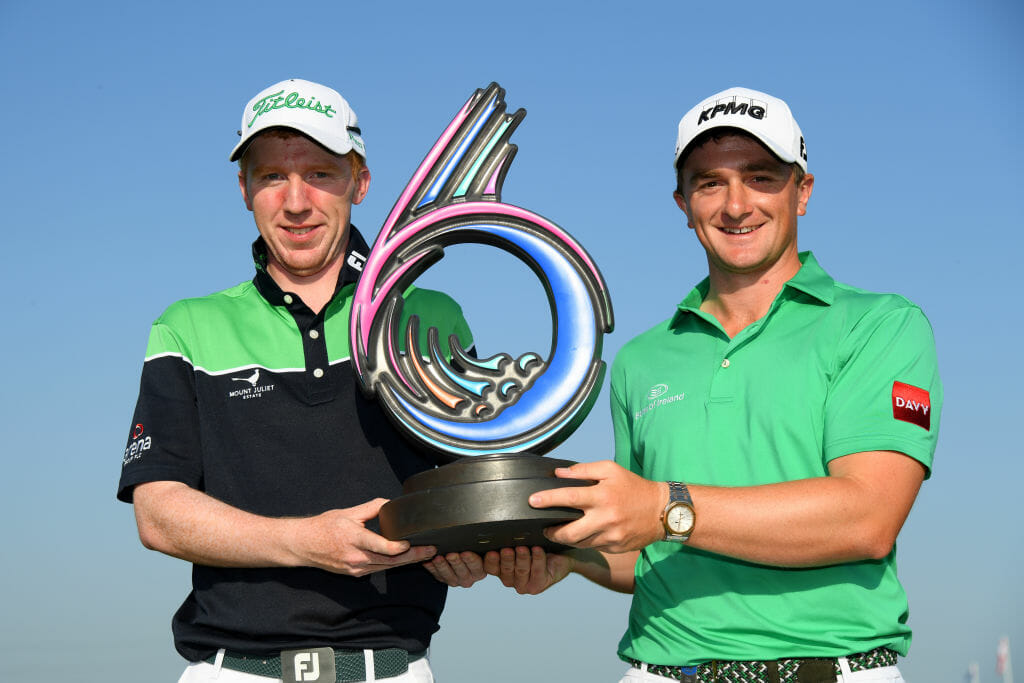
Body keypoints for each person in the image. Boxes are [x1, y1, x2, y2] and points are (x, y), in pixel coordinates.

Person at [485, 87, 942, 683]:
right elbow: (648, 547)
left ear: (802, 191)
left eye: (760, 177)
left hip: (829, 668)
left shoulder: (880, 325)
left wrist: (661, 506)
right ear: (683, 203)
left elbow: (868, 518)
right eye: (709, 183)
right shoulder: (641, 359)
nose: (735, 205)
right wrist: (572, 556)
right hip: (660, 670)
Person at [118, 78, 486, 683]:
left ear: (360, 182)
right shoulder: (186, 326)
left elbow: (468, 485)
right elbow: (158, 514)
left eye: (319, 173)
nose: (296, 202)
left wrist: (477, 546)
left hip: (394, 668)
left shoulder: (431, 318)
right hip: (230, 671)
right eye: (271, 176)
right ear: (244, 190)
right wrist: (306, 542)